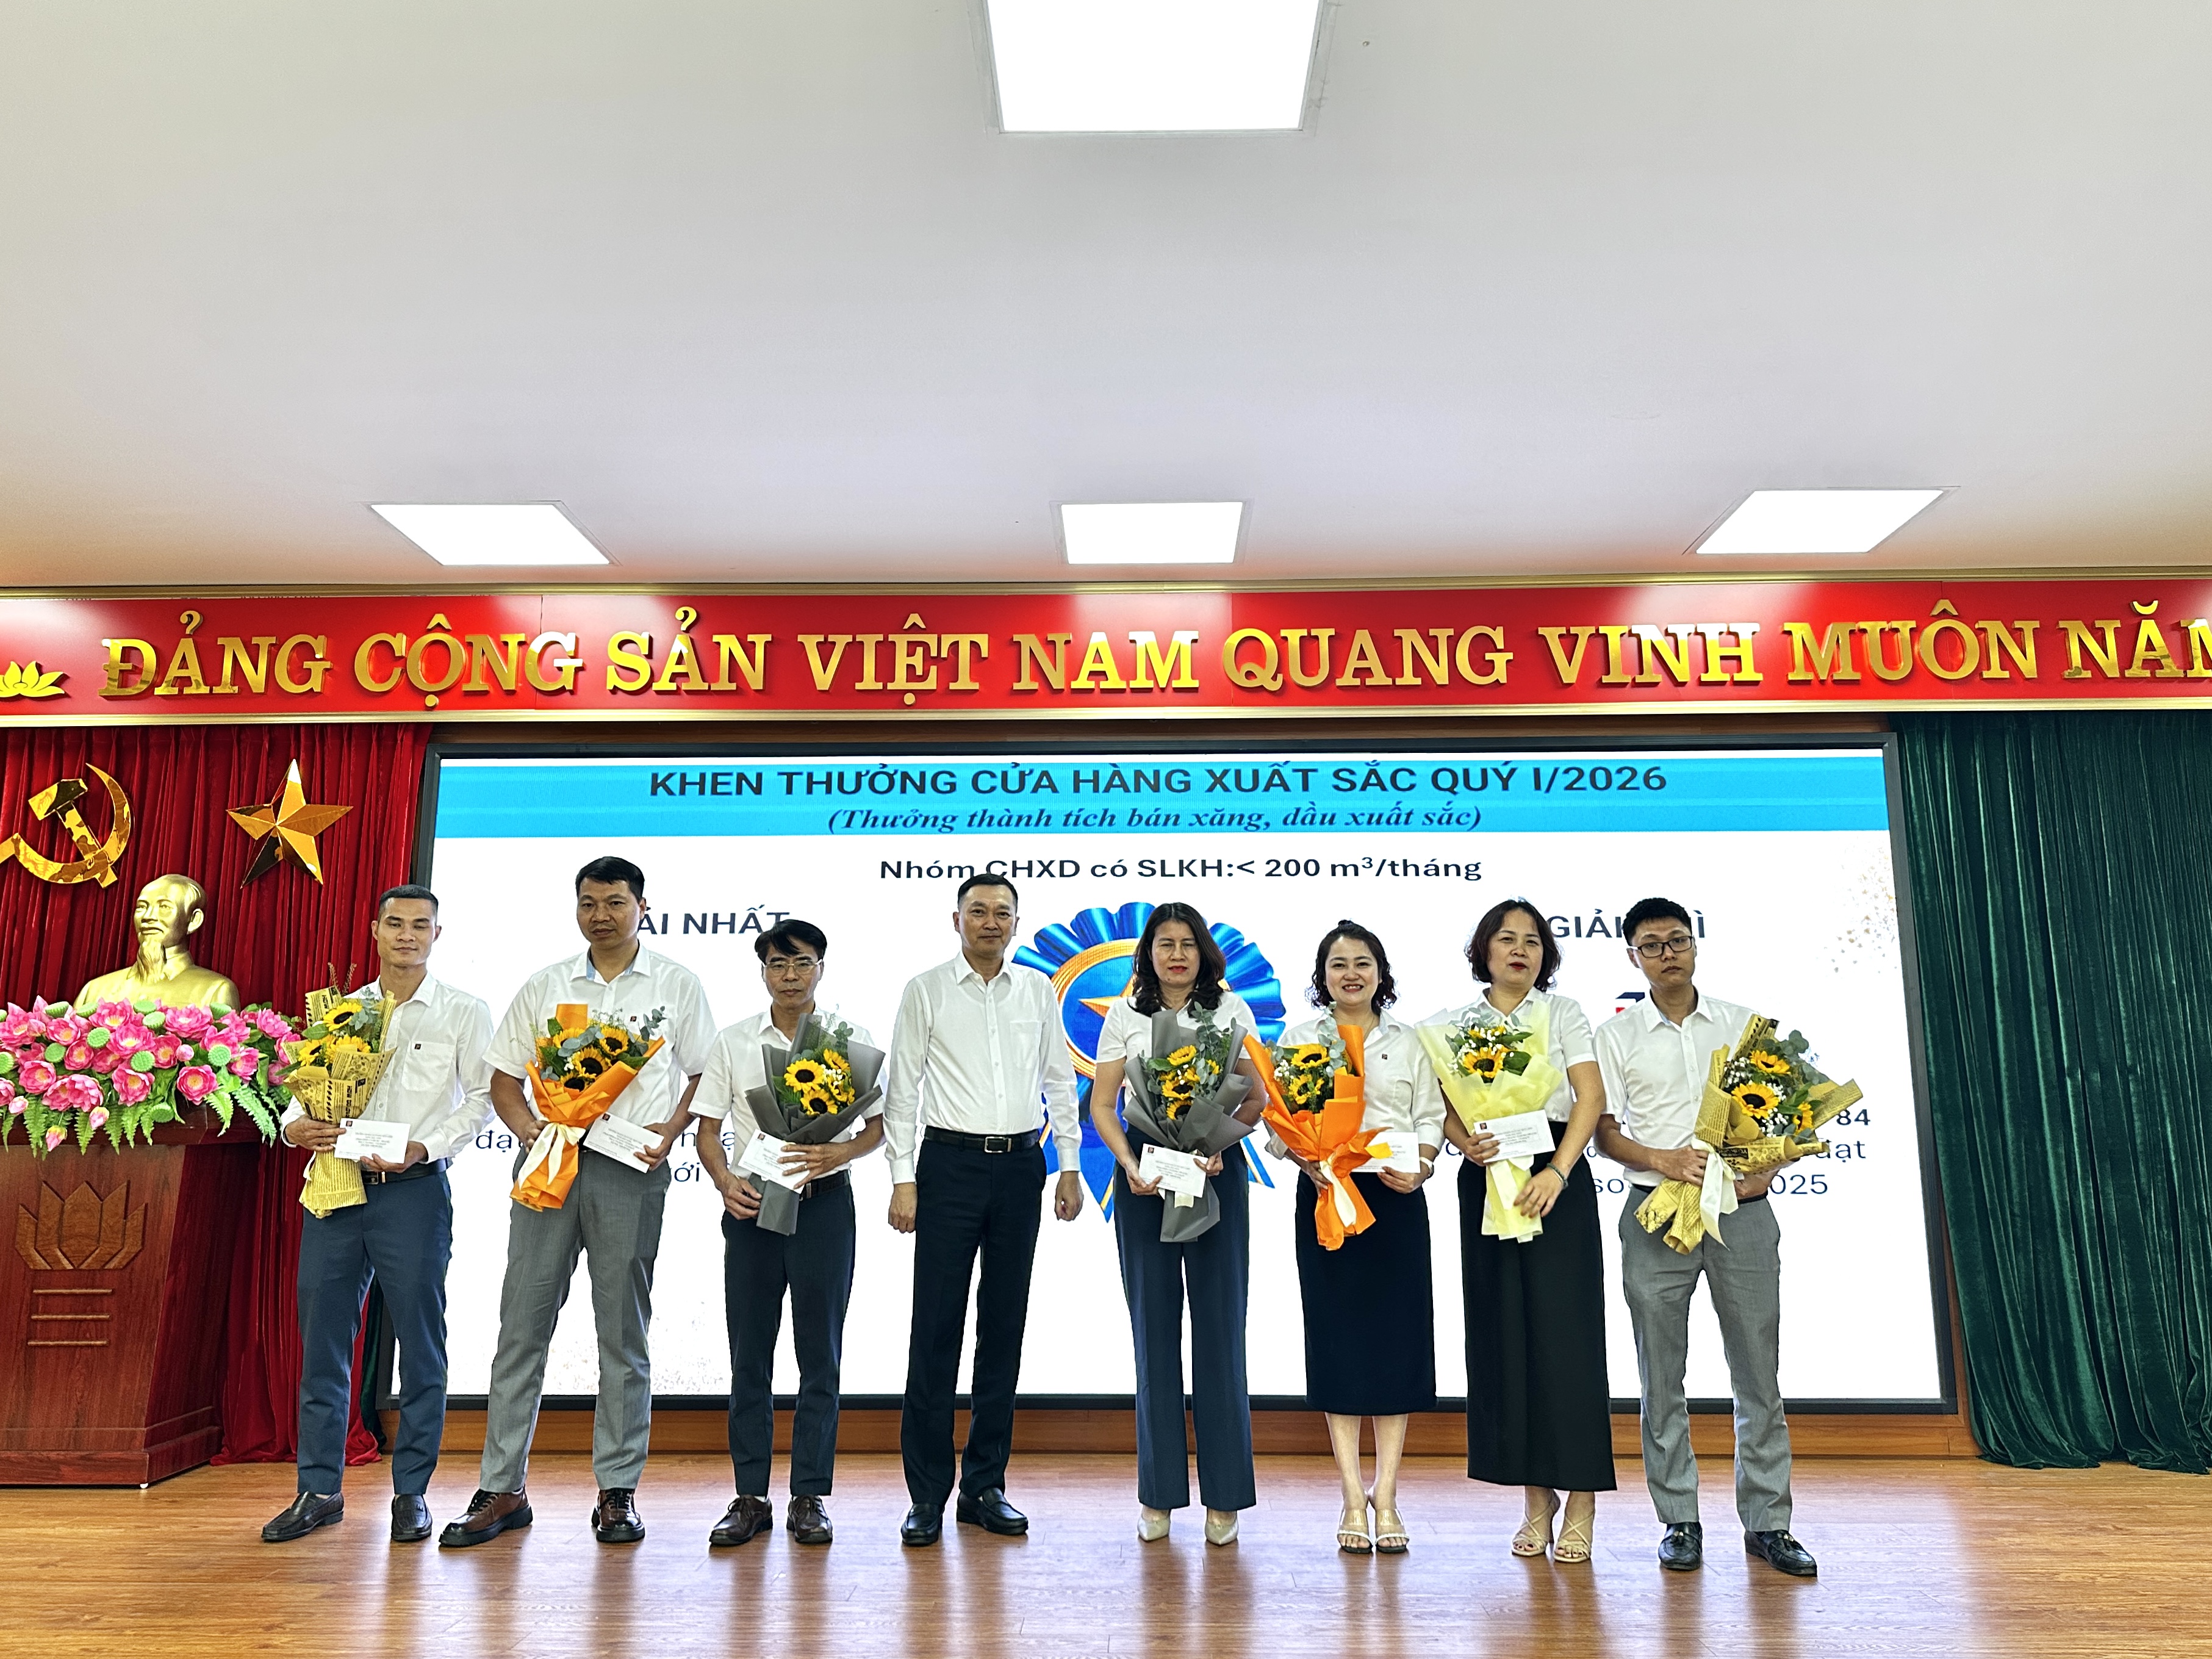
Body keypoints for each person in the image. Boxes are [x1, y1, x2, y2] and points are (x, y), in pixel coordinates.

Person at [439, 855, 716, 1550]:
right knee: (521, 1325)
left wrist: (670, 1130)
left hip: (630, 1168)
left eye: (615, 902)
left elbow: (705, 1074)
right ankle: (502, 1486)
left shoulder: (676, 983)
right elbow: (504, 1078)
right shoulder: (546, 984)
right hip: (550, 1167)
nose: (602, 915)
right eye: (589, 903)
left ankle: (617, 1489)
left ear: (642, 907)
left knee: (623, 1332)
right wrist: (529, 1129)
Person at [260, 883, 492, 1545]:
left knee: (421, 1343)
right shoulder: (341, 1010)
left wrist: (427, 1145)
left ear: (437, 935)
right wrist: (294, 1125)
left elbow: (480, 1099)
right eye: (395, 923)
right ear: (374, 929)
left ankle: (411, 1492)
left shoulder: (463, 1010)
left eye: (421, 925)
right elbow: (301, 1088)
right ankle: (319, 1489)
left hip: (413, 1191)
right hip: (336, 1187)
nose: (407, 935)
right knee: (323, 1344)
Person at [1593, 896, 1817, 1578]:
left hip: (1741, 1213)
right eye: (1651, 944)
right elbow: (1604, 1131)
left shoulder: (1744, 1023)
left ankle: (1769, 1522)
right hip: (1655, 1213)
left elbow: (1790, 1113)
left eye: (1677, 940)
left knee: (1757, 1371)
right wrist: (1661, 1159)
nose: (1667, 953)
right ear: (1632, 956)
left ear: (1695, 945)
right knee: (1660, 1374)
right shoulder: (1616, 1034)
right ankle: (1679, 1519)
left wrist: (1768, 1169)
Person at [884, 873, 1084, 1546]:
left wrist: (1068, 1164)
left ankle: (984, 1485)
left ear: (1016, 923)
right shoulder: (926, 989)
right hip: (948, 1166)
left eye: (1002, 912)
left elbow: (1059, 1080)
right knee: (935, 1330)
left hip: (1021, 1166)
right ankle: (926, 1495)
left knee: (1003, 1328)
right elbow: (903, 1089)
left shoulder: (1037, 989)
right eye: (978, 911)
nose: (990, 922)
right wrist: (902, 1178)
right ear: (956, 920)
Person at [1431, 899, 1614, 1563]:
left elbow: (1589, 1098)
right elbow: (1438, 1102)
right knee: (1506, 1339)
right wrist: (1463, 1143)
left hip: (1553, 1176)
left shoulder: (1561, 1013)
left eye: (1532, 941)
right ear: (1483, 950)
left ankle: (1582, 1498)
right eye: (1506, 939)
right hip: (1487, 1180)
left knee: (1568, 1341)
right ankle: (1536, 1500)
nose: (1519, 950)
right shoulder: (1451, 1026)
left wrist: (1558, 1172)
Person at [692, 919, 883, 1549]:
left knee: (819, 1352)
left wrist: (838, 1153)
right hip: (751, 1209)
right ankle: (750, 1494)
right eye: (778, 964)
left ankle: (809, 1494)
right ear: (763, 972)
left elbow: (877, 1126)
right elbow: (706, 1130)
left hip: (824, 1207)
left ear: (821, 968)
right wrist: (724, 1181)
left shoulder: (849, 1040)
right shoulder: (734, 1040)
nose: (790, 975)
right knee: (749, 1352)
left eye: (802, 963)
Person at [1086, 903, 1269, 1547]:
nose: (1176, 955)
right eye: (1164, 944)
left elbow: (1256, 1098)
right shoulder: (1125, 1014)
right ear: (1147, 954)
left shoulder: (1232, 1010)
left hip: (1216, 1171)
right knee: (1153, 1333)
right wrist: (1129, 1162)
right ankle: (1158, 1494)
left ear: (1204, 953)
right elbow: (1102, 1104)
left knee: (1220, 1331)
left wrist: (1222, 1142)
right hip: (1146, 1177)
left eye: (1187, 944)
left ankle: (1225, 1496)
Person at [1277, 921, 1442, 1556]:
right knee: (1338, 1340)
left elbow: (1429, 1116)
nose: (1351, 973)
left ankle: (1388, 1494)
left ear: (1381, 972)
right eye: (1338, 963)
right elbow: (1279, 1124)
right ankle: (1351, 1494)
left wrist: (1422, 1164)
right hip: (1327, 1196)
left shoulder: (1410, 1039)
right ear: (1322, 976)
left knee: (1397, 1343)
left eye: (1362, 962)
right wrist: (1306, 1159)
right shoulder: (1300, 1040)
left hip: (1395, 1197)